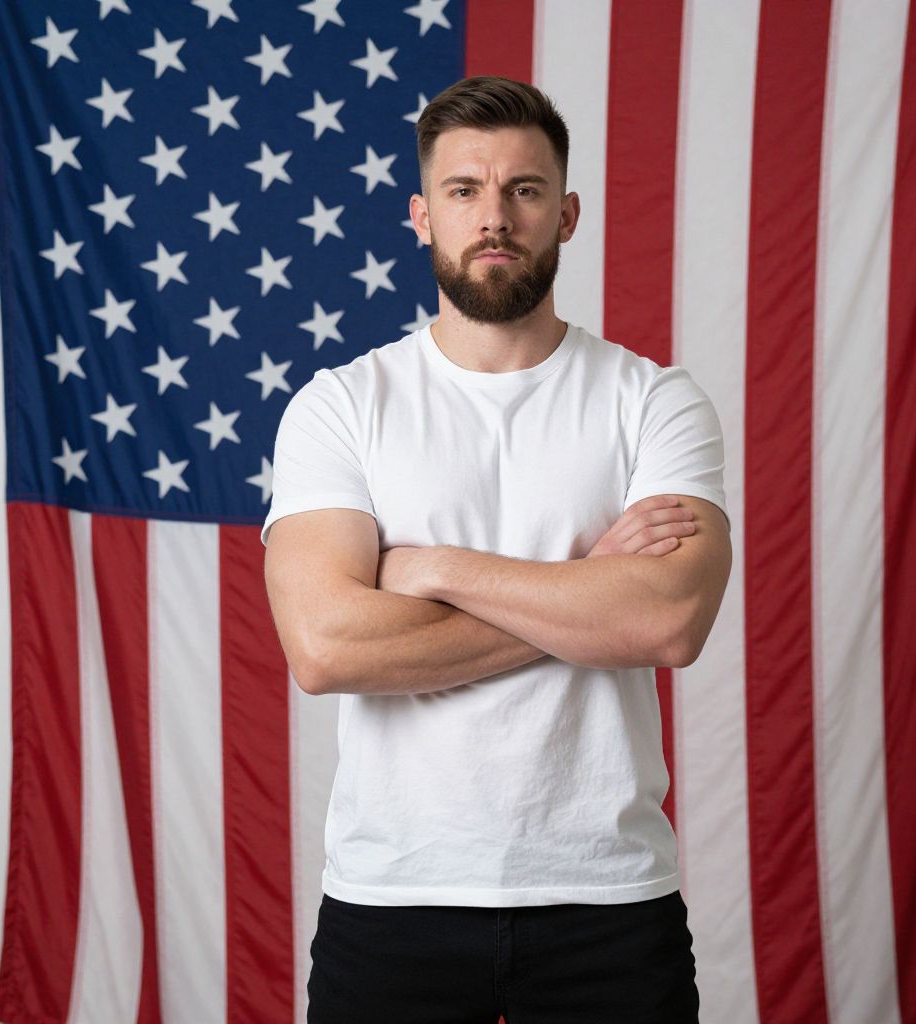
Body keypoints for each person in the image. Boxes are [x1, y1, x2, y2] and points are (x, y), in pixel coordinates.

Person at [262, 74, 732, 1024]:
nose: (494, 216)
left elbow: (670, 620)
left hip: (608, 898)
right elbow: (328, 649)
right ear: (421, 215)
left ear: (565, 214)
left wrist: (431, 569)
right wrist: (593, 593)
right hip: (394, 899)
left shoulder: (654, 402)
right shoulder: (342, 405)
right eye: (464, 190)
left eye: (522, 190)